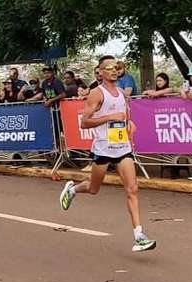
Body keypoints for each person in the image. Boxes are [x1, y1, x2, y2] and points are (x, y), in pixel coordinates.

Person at [59, 55, 156, 252]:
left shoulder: (121, 92)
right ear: (101, 72)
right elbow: (84, 122)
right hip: (103, 148)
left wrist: (129, 122)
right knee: (94, 189)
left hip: (122, 147)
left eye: (117, 67)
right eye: (109, 68)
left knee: (132, 189)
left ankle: (139, 235)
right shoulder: (96, 93)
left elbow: (124, 114)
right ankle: (72, 190)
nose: (114, 70)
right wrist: (108, 117)